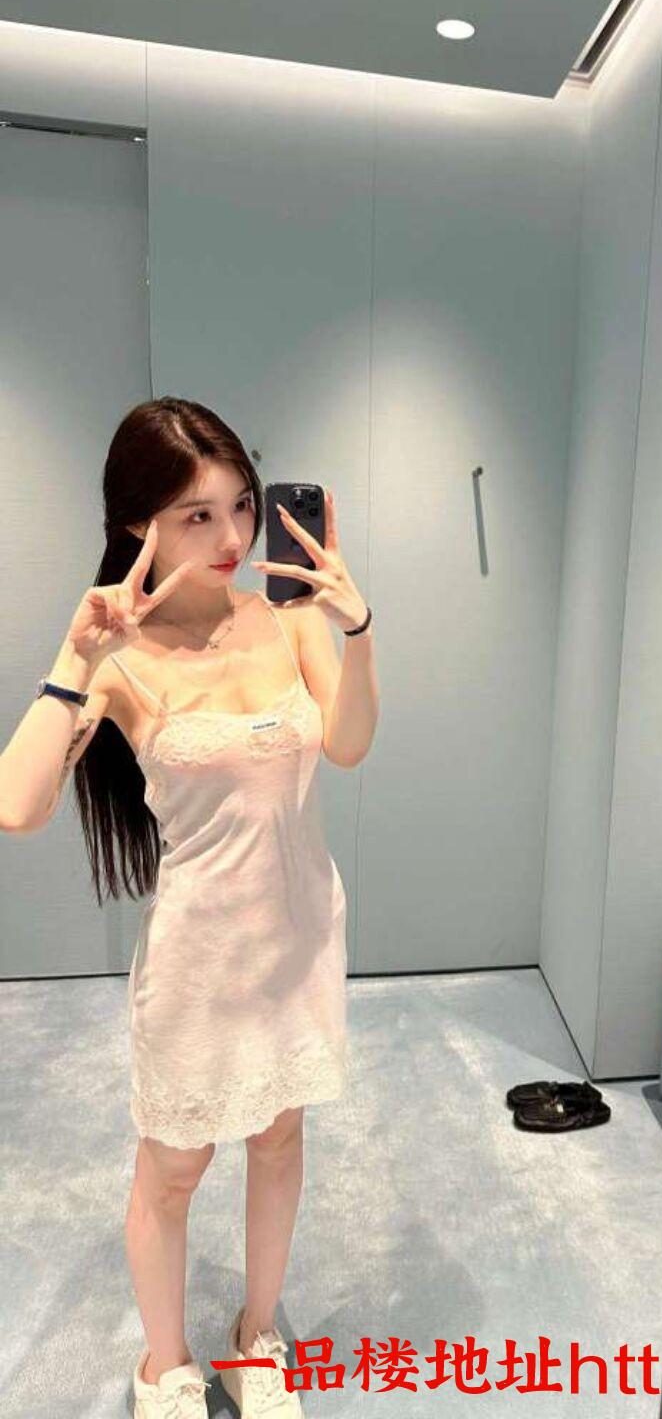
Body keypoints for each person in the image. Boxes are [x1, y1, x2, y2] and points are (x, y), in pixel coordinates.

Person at [0, 397, 378, 1417]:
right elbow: (16, 805)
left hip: (301, 937)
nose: (232, 537)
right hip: (200, 963)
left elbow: (347, 744)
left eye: (241, 506)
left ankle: (257, 1336)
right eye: (197, 515)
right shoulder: (121, 655)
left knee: (280, 1140)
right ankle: (163, 1364)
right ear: (139, 525)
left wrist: (357, 628)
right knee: (174, 1169)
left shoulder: (287, 617)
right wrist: (75, 658)